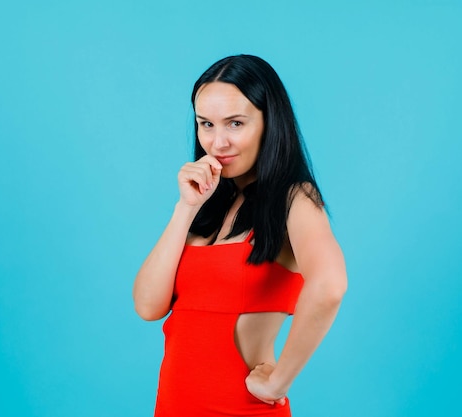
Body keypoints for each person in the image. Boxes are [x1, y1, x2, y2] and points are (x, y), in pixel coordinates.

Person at [133, 54, 347, 417]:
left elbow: (329, 286)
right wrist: (185, 209)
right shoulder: (206, 205)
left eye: (235, 123)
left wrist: (278, 381)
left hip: (241, 409)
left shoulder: (294, 199)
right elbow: (148, 306)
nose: (217, 143)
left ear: (270, 123)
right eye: (206, 124)